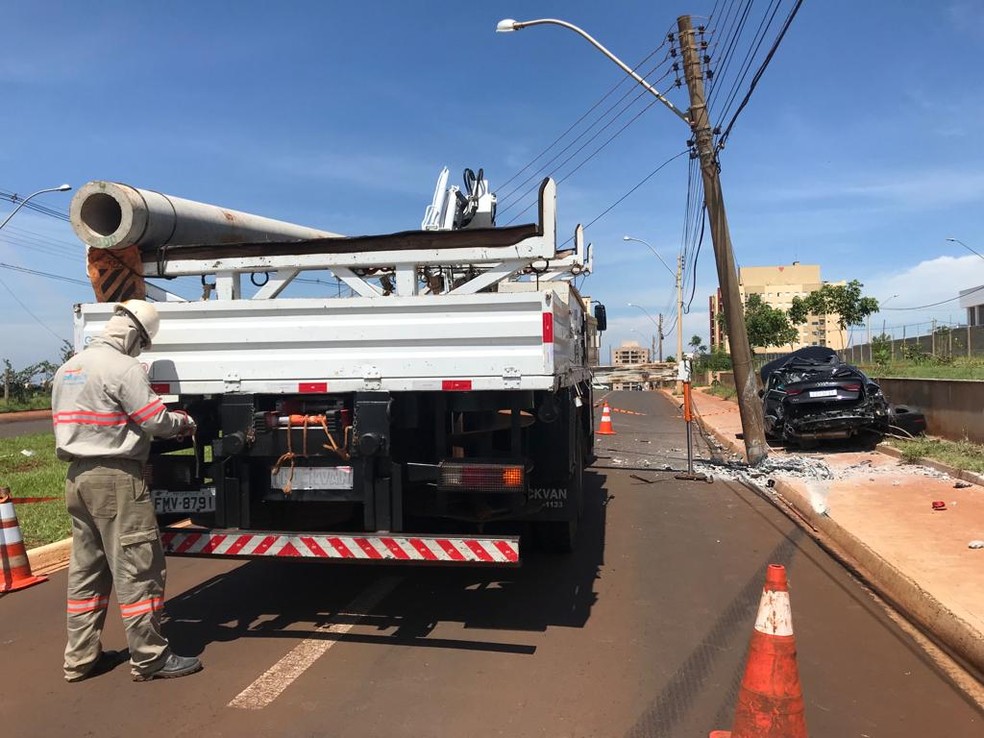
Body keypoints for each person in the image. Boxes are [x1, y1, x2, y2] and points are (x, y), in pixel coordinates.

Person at [52, 299, 203, 683]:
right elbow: (154, 420)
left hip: (77, 478)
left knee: (87, 572)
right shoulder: (124, 368)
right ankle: (151, 658)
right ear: (135, 334)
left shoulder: (68, 368)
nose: (141, 351)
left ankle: (80, 660)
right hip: (116, 478)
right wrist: (183, 422)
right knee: (139, 567)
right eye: (143, 343)